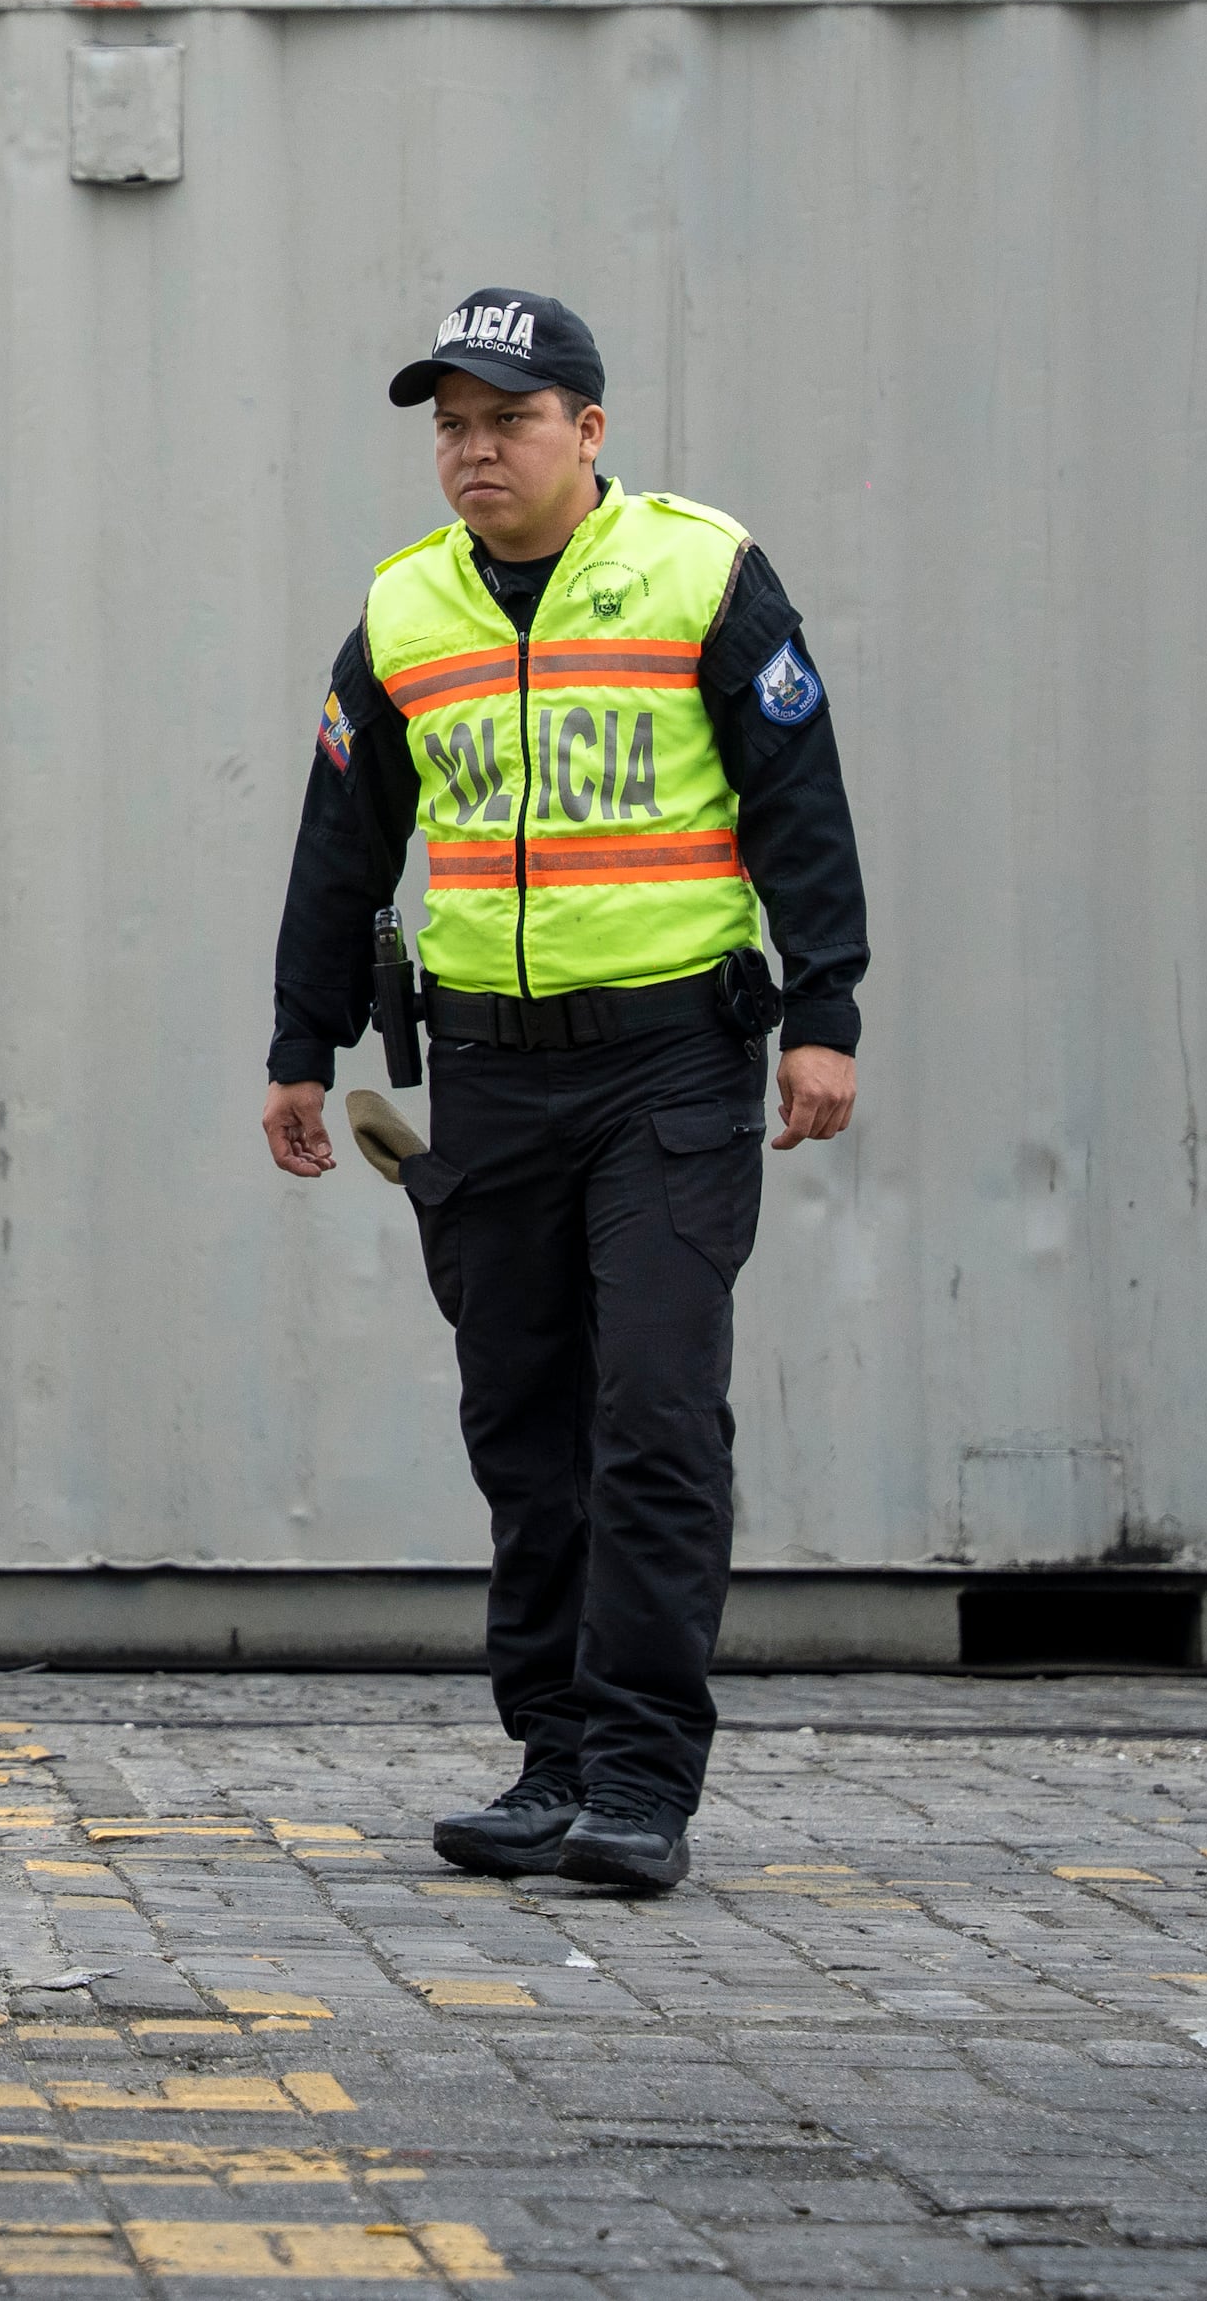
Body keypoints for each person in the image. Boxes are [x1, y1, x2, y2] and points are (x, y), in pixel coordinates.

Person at [260, 286, 865, 1897]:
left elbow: (798, 792)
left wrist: (827, 1010)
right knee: (525, 1428)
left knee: (654, 1411)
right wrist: (298, 1046)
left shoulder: (699, 573)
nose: (474, 452)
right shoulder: (405, 614)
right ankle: (552, 1759)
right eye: (450, 427)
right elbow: (343, 846)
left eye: (508, 421)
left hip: (671, 1060)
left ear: (587, 431)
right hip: (491, 1075)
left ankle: (644, 1778)